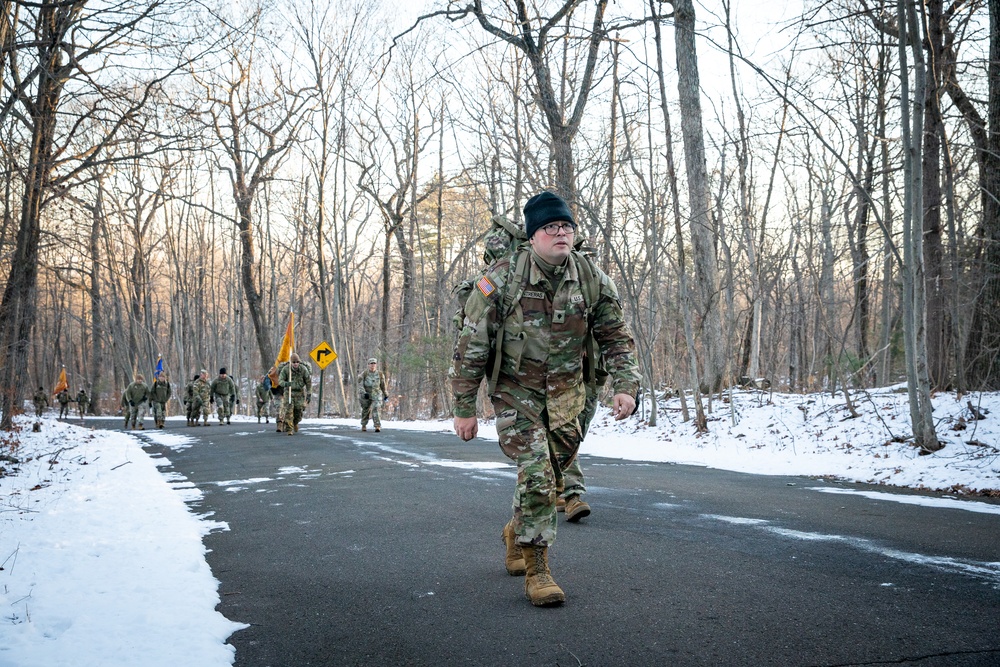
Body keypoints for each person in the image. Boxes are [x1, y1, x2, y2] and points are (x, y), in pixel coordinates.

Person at [451, 190, 640, 607]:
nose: (560, 233)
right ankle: (538, 571)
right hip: (515, 394)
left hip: (569, 396)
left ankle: (514, 530)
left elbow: (615, 337)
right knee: (537, 475)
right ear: (533, 236)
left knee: (551, 475)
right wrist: (465, 408)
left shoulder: (591, 278)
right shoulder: (501, 278)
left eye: (566, 226)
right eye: (550, 227)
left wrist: (626, 386)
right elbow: (471, 344)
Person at [278, 354, 311, 435]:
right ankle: (289, 429)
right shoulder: (286, 369)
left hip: (299, 393)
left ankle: (295, 423)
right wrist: (287, 384)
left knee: (298, 411)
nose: (295, 364)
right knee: (288, 411)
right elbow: (280, 381)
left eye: (297, 362)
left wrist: (309, 393)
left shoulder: (303, 369)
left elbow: (308, 382)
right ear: (291, 363)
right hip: (289, 392)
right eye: (293, 362)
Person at [358, 358, 387, 432]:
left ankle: (377, 426)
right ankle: (364, 425)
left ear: (376, 365)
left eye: (374, 363)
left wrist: (385, 394)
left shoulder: (380, 374)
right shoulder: (364, 374)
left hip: (376, 394)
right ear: (368, 365)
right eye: (371, 363)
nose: (372, 365)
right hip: (366, 394)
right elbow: (360, 385)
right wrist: (364, 393)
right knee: (366, 410)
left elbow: (383, 385)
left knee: (376, 408)